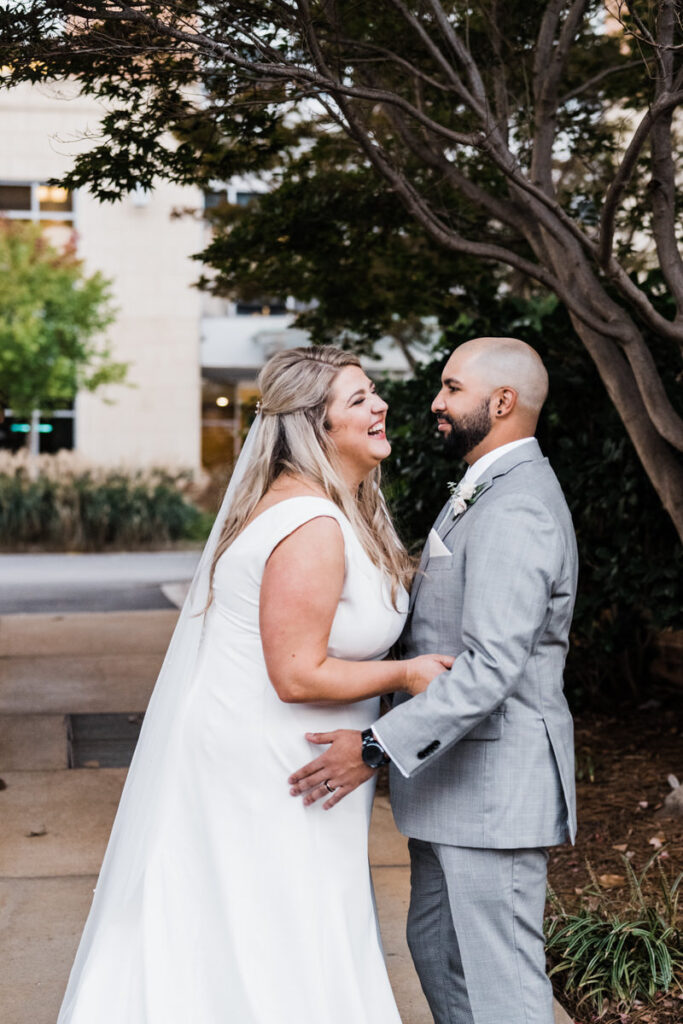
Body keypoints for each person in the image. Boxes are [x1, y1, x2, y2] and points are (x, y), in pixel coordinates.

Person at [56, 345, 453, 1024]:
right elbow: (295, 672)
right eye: (357, 399)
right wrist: (407, 673)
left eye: (373, 392)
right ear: (314, 426)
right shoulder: (311, 524)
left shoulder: (326, 509)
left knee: (273, 923)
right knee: (273, 929)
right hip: (269, 766)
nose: (379, 404)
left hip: (288, 756)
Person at [289, 337, 579, 1024]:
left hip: (494, 788)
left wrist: (372, 747)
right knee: (438, 954)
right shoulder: (488, 486)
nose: (434, 402)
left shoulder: (518, 507)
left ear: (500, 402)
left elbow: (489, 669)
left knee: (499, 983)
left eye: (451, 388)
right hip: (455, 786)